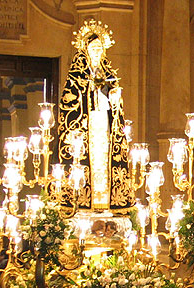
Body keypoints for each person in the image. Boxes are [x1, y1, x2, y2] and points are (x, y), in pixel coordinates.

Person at [58, 19, 132, 211]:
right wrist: (90, 88)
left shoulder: (109, 74)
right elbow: (69, 103)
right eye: (93, 48)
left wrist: (115, 97)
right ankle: (82, 202)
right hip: (86, 127)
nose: (97, 51)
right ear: (86, 50)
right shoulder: (77, 75)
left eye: (100, 48)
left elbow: (117, 106)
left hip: (105, 127)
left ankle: (108, 202)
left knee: (107, 162)